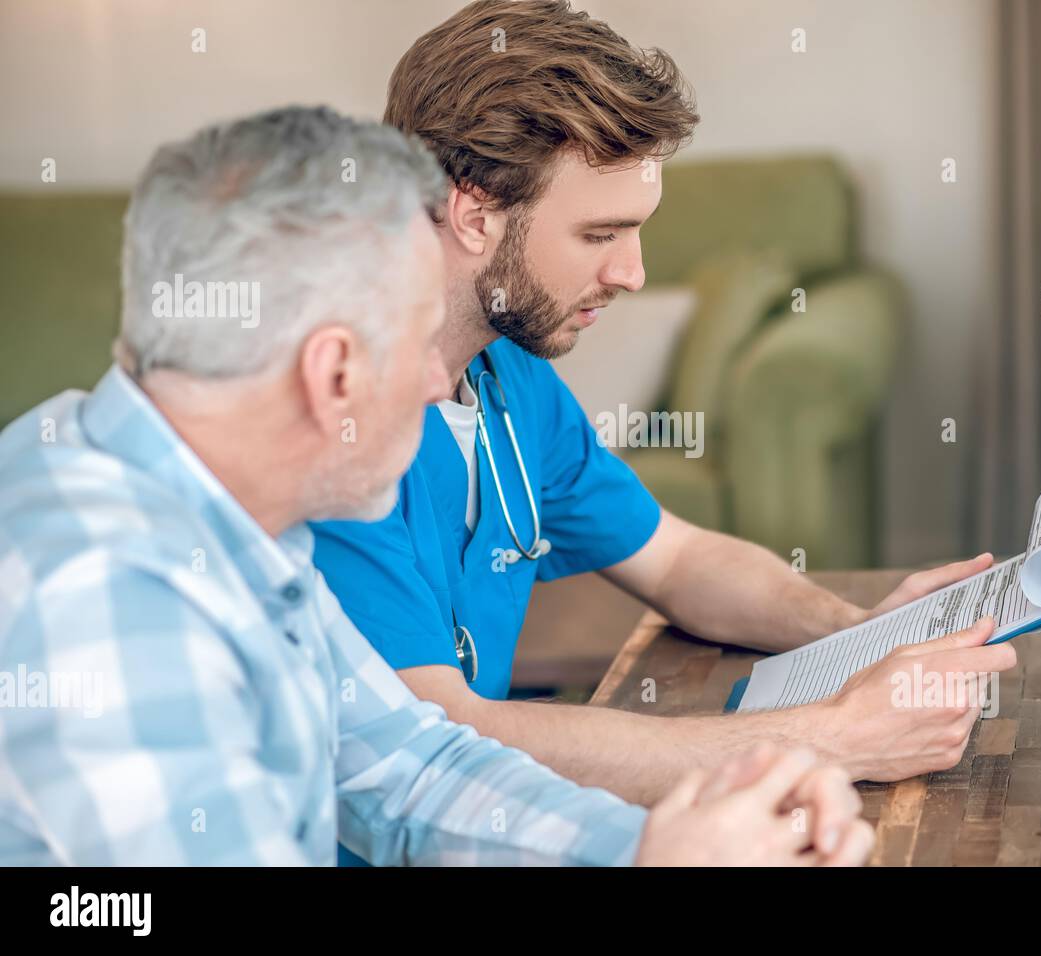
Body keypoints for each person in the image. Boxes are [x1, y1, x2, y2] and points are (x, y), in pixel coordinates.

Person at [0, 106, 872, 867]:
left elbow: (414, 769)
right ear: (333, 374)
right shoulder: (107, 598)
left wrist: (653, 848)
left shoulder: (242, 518)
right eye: (422, 341)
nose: (440, 383)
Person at [312, 0, 1016, 820]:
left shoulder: (509, 378)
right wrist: (838, 737)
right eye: (599, 235)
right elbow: (445, 741)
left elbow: (678, 561)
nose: (634, 273)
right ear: (473, 214)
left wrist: (860, 633)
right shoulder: (334, 419)